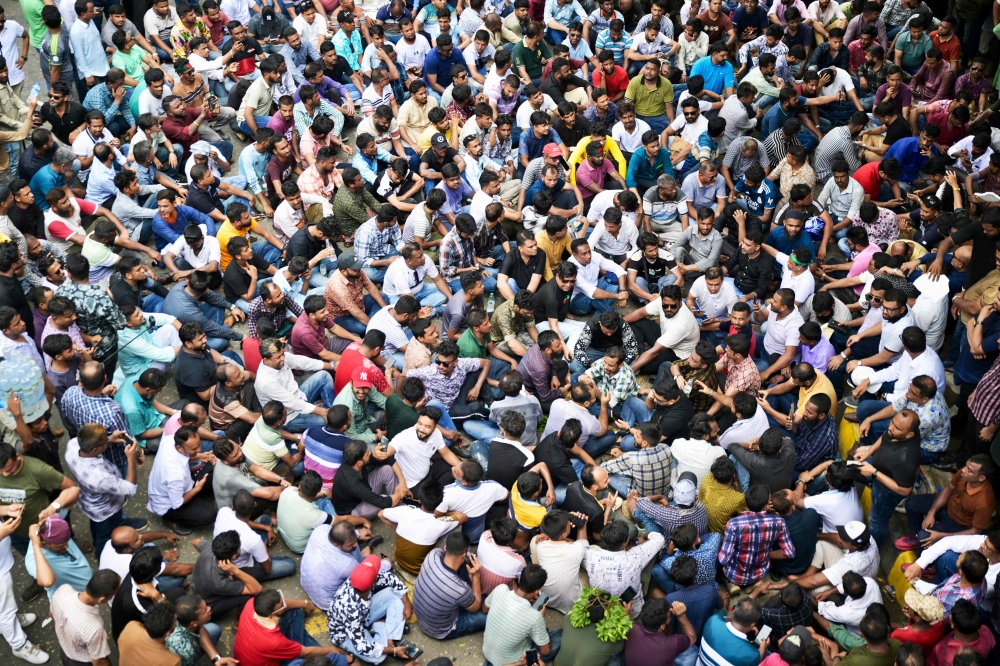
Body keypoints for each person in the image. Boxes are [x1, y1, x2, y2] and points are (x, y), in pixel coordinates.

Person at [64, 424, 145, 557]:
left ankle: (118, 526)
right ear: (95, 449)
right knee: (104, 535)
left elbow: (95, 447)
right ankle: (102, 555)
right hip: (105, 510)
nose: (106, 439)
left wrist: (109, 439)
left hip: (88, 501)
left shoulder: (73, 445)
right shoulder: (99, 477)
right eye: (103, 441)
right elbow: (130, 489)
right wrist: (130, 458)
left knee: (96, 525)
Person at [233, 591, 349, 666]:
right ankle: (296, 647)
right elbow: (307, 652)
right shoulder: (274, 641)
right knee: (318, 660)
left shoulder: (252, 604)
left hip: (252, 654)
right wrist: (332, 650)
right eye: (281, 604)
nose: (284, 603)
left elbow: (284, 604)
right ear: (271, 616)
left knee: (294, 612)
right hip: (269, 659)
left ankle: (295, 646)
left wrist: (305, 604)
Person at [146, 426, 215, 535]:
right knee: (210, 516)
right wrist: (197, 488)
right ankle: (171, 519)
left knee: (212, 478)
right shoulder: (175, 474)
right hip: (169, 504)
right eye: (194, 449)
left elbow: (184, 455)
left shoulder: (169, 440)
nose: (199, 450)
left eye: (198, 445)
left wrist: (199, 456)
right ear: (179, 448)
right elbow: (177, 503)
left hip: (179, 485)